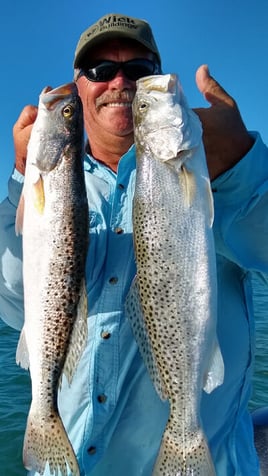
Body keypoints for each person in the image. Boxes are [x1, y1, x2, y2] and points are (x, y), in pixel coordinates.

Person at [0, 12, 267, 476]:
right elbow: (15, 304)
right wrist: (24, 182)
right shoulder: (49, 191)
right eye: (101, 71)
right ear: (79, 88)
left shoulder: (220, 176)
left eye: (140, 72)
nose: (119, 82)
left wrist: (245, 167)